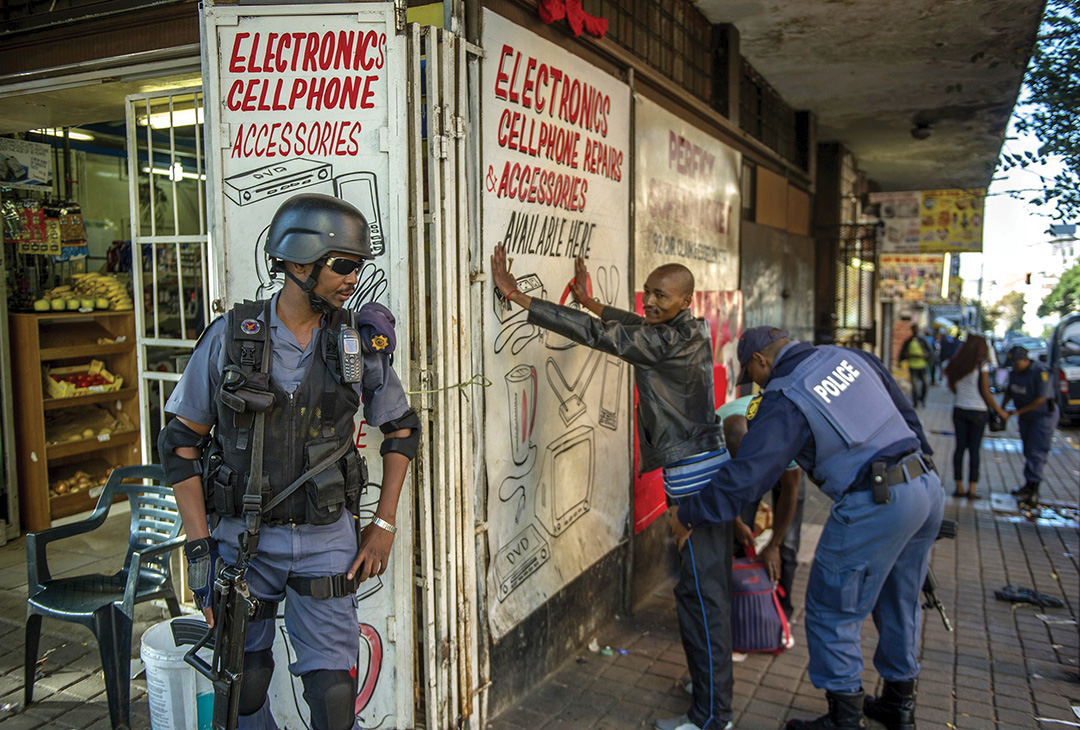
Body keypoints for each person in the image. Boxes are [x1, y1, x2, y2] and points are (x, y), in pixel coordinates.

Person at [158, 193, 421, 730]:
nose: (353, 278)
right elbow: (178, 445)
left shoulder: (357, 344)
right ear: (298, 264)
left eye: (358, 266)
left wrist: (384, 525)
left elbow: (402, 430)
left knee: (332, 697)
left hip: (327, 541)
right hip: (242, 543)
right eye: (343, 265)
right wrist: (201, 551)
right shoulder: (232, 339)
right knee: (245, 686)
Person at [490, 245, 733, 730]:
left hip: (695, 480)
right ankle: (707, 685)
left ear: (686, 300)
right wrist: (591, 300)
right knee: (699, 593)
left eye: (660, 296)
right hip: (701, 472)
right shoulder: (687, 329)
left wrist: (518, 297)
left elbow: (608, 337)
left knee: (705, 599)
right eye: (647, 292)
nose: (649, 301)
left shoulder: (667, 341)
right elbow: (631, 325)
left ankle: (712, 716)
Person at [670, 326, 944, 730]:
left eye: (753, 374)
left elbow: (749, 474)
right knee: (900, 599)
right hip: (925, 487)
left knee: (832, 608)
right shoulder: (849, 357)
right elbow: (907, 416)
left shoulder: (786, 396)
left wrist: (690, 513)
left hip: (877, 503)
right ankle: (898, 706)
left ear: (761, 360)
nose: (757, 384)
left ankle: (843, 719)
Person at [717, 396, 803, 624]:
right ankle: (741, 610)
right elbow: (720, 487)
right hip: (739, 468)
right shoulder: (715, 436)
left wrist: (774, 543)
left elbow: (791, 489)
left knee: (788, 544)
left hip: (781, 467)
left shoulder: (783, 434)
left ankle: (781, 616)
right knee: (736, 540)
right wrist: (736, 522)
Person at [943, 335, 1008, 499]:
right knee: (974, 450)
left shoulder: (957, 363)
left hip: (959, 409)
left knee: (959, 448)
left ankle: (958, 487)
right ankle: (972, 489)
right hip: (978, 411)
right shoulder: (982, 365)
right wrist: (999, 411)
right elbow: (986, 391)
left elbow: (951, 386)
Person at [1002, 345, 1059, 508]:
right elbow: (1009, 391)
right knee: (1028, 449)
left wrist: (1017, 412)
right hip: (1026, 416)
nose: (1013, 366)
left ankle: (1034, 489)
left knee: (1036, 451)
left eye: (1016, 363)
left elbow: (1041, 399)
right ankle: (1028, 485)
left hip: (1042, 416)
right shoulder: (1015, 372)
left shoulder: (1041, 372)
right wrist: (1002, 408)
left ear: (1025, 359)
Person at [897, 324, 932, 407]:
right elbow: (903, 353)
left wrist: (924, 356)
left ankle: (922, 399)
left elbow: (929, 353)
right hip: (912, 365)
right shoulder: (909, 341)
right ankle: (915, 402)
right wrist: (903, 359)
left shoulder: (922, 341)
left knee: (925, 384)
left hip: (922, 365)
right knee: (915, 385)